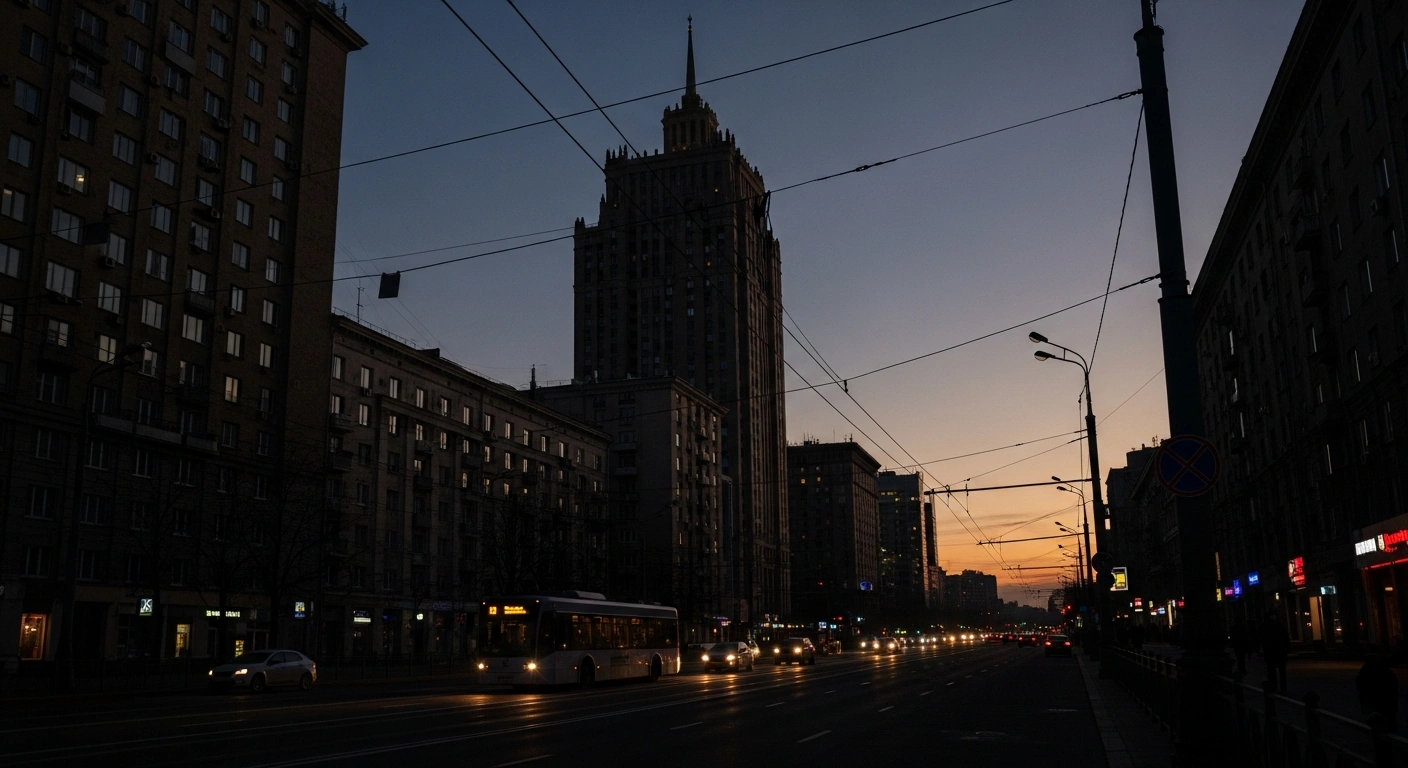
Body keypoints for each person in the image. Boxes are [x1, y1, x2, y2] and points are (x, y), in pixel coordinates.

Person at [1356, 658, 1399, 733]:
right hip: (1386, 707)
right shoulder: (1388, 673)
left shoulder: (1364, 673)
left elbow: (1361, 689)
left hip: (1376, 707)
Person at [1261, 612, 1290, 694]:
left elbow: (1259, 639)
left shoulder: (1263, 627)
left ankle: (1274, 686)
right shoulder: (1279, 625)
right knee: (1282, 670)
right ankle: (1283, 687)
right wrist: (1287, 648)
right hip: (1280, 650)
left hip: (1269, 651)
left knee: (1271, 670)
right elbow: (1286, 636)